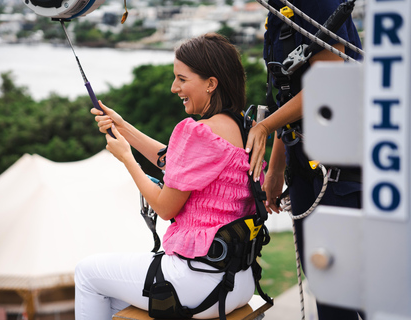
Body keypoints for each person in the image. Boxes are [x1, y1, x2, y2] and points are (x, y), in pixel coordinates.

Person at [75, 33, 265, 320]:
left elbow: (165, 208)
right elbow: (177, 163)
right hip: (240, 280)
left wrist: (127, 158)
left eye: (182, 79)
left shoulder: (197, 131)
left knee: (87, 273)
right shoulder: (245, 129)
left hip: (198, 280)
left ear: (211, 83)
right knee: (113, 300)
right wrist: (123, 127)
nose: (174, 88)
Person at [246, 1, 364, 319]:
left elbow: (327, 81)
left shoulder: (316, 3)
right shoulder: (277, 14)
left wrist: (266, 125)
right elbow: (286, 95)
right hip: (305, 169)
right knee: (325, 286)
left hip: (344, 171)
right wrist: (276, 166)